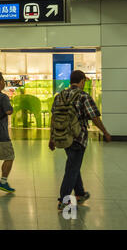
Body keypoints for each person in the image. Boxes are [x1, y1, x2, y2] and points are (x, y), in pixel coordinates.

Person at [50, 70, 111, 210]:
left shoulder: (60, 96)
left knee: (73, 164)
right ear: (82, 81)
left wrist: (51, 138)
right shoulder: (83, 96)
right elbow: (94, 117)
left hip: (63, 137)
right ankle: (64, 200)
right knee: (72, 168)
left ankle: (80, 193)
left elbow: (53, 118)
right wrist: (105, 132)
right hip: (78, 138)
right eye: (85, 81)